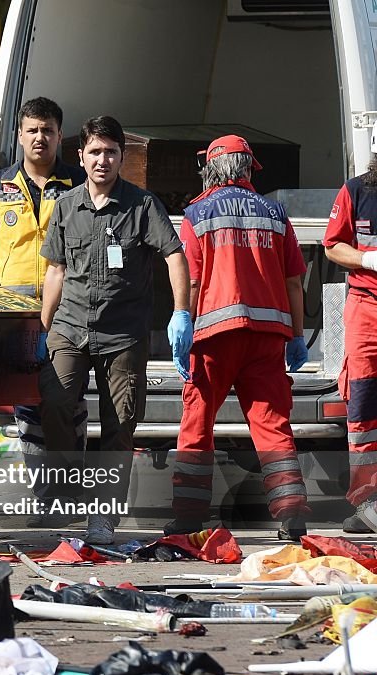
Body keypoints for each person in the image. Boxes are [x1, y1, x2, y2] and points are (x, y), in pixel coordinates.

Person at [38, 115, 191, 544]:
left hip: (123, 334)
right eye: (94, 152)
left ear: (122, 156)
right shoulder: (67, 206)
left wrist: (181, 312)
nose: (102, 160)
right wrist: (43, 326)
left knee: (120, 422)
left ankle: (102, 514)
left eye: (110, 152)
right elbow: (55, 270)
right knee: (54, 400)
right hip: (69, 327)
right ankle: (68, 491)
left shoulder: (142, 206)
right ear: (80, 157)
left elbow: (174, 257)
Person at [167, 135, 310, 540]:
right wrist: (297, 336)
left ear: (210, 168)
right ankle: (291, 514)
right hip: (267, 340)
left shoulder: (196, 214)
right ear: (248, 169)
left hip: (213, 337)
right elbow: (294, 283)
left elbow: (192, 283)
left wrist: (183, 322)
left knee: (197, 423)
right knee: (272, 425)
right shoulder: (275, 214)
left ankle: (189, 517)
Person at [0, 97, 88, 524]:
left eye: (48, 129)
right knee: (28, 406)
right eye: (32, 129)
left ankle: (74, 495)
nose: (40, 137)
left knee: (69, 401)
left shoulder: (78, 181)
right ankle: (48, 497)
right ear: (19, 135)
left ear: (59, 135)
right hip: (15, 313)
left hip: (71, 310)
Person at [323, 122, 377, 533]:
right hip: (366, 307)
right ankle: (367, 502)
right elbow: (332, 243)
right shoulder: (357, 190)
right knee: (361, 404)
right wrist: (366, 259)